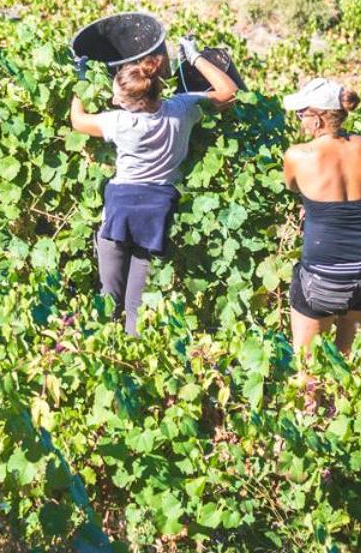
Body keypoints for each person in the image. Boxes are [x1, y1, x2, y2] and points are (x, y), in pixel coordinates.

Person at [69, 38, 238, 334]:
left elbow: (78, 120)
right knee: (137, 305)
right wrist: (195, 57)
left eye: (116, 94)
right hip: (157, 210)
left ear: (125, 101)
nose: (113, 97)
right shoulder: (181, 109)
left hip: (121, 208)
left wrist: (80, 79)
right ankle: (135, 356)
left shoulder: (119, 122)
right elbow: (229, 92)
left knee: (108, 296)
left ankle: (102, 353)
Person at [281, 78, 361, 396]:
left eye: (301, 114)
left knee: (306, 364)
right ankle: (348, 411)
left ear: (316, 118)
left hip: (322, 268)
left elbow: (294, 186)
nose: (299, 120)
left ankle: (310, 418)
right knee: (350, 359)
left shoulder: (297, 155)